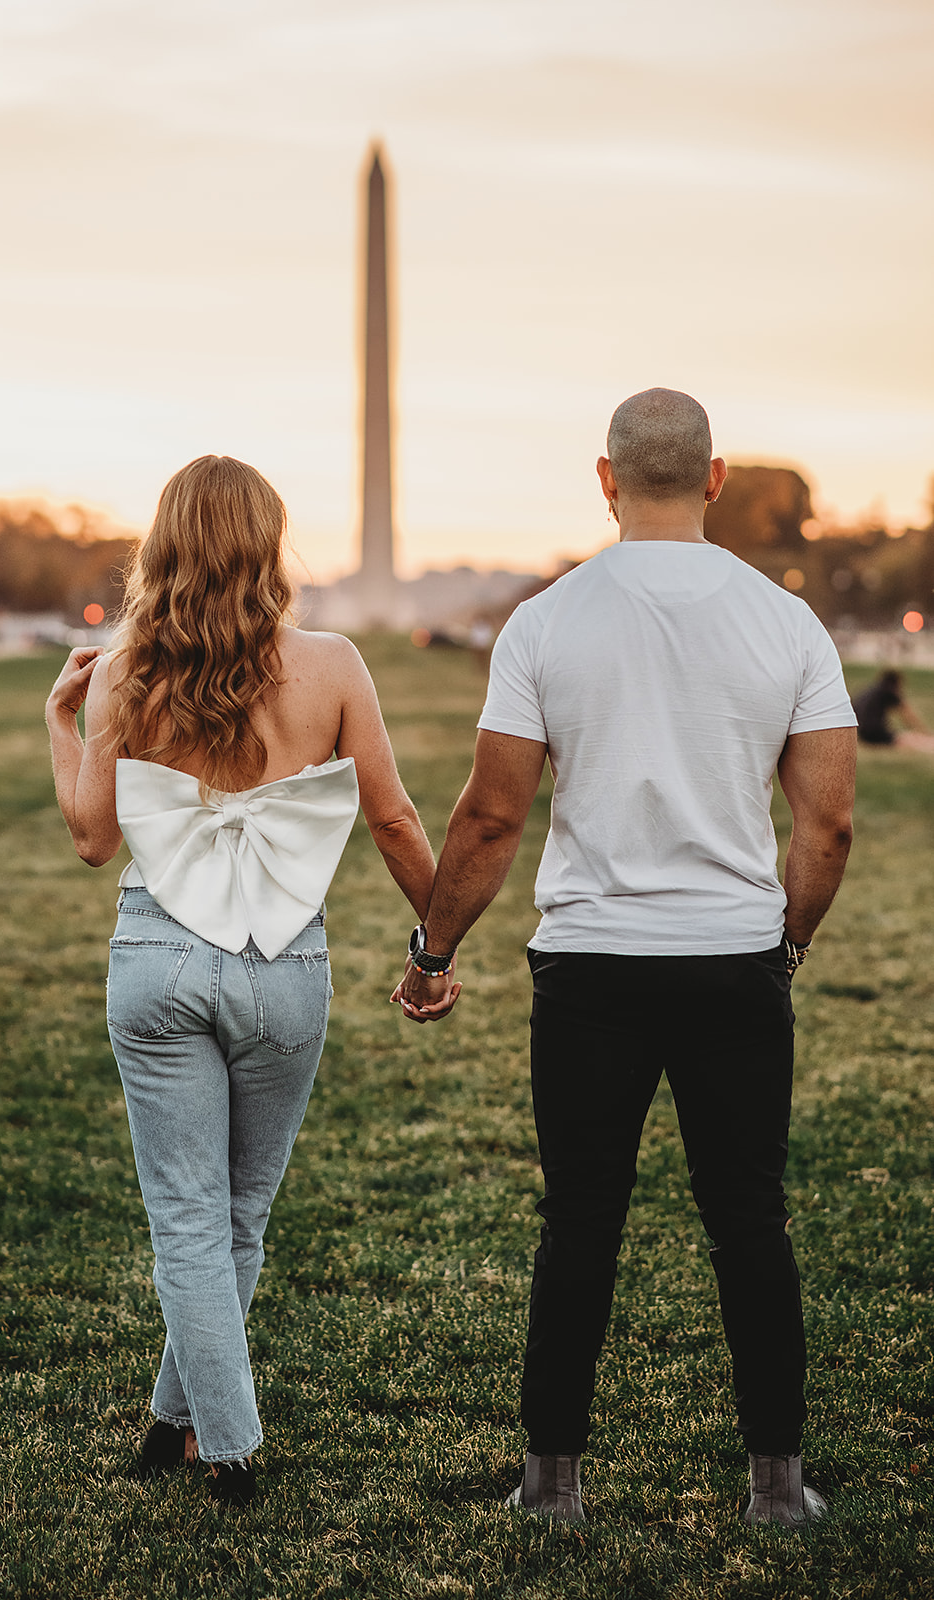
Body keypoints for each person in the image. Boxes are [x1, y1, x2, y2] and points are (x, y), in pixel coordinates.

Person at [392, 389, 857, 1527]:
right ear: (712, 479)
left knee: (581, 1220)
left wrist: (430, 948)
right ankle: (776, 1489)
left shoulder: (546, 622)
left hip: (590, 967)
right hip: (733, 958)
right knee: (747, 1219)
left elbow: (490, 818)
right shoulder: (783, 622)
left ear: (603, 479)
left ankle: (551, 1484)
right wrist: (780, 946)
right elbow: (826, 824)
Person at [47, 455, 436, 1505]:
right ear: (269, 545)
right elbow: (394, 819)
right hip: (282, 968)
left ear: (161, 548)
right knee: (237, 1215)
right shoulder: (334, 664)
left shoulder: (127, 671)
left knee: (188, 1218)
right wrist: (433, 943)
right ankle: (223, 1440)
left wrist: (57, 724)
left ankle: (184, 1429)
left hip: (156, 959)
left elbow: (91, 839)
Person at [852, 667, 934, 752]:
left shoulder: (871, 691)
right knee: (905, 739)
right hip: (875, 732)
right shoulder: (889, 691)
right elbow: (907, 715)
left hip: (862, 733)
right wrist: (923, 732)